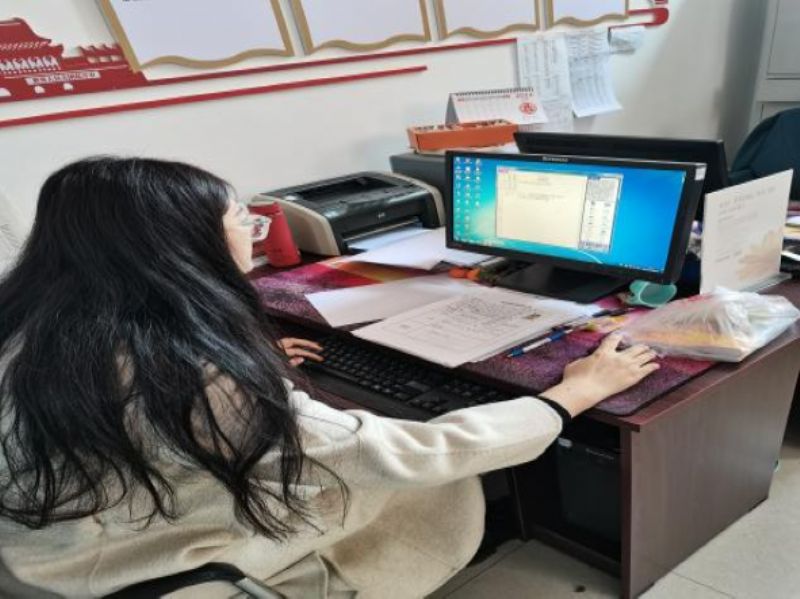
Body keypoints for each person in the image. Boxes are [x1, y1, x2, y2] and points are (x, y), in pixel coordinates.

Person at [0, 157, 659, 598]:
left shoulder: (35, 324)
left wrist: (248, 366)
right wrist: (573, 394)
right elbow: (402, 453)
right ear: (183, 247)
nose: (253, 232)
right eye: (241, 220)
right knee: (435, 480)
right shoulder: (190, 378)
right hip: (163, 569)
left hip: (48, 555)